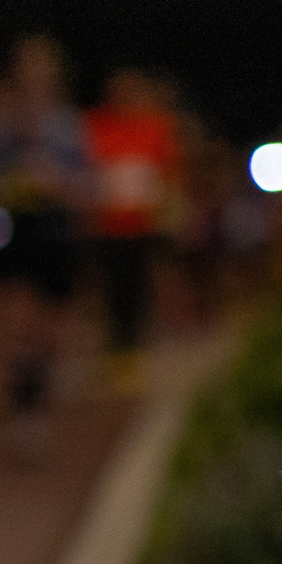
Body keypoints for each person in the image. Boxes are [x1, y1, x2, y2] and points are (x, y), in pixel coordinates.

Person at [0, 38, 91, 457]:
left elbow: (88, 185)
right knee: (15, 321)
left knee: (52, 332)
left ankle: (37, 393)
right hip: (13, 230)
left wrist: (60, 184)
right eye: (28, 68)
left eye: (44, 68)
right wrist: (3, 185)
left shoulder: (68, 126)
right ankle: (23, 410)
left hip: (56, 231)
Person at [84, 66, 182, 392]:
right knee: (113, 289)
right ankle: (116, 351)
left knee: (139, 288)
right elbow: (88, 169)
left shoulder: (155, 125)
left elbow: (168, 171)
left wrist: (169, 213)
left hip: (143, 225)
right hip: (107, 226)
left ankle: (135, 351)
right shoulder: (96, 124)